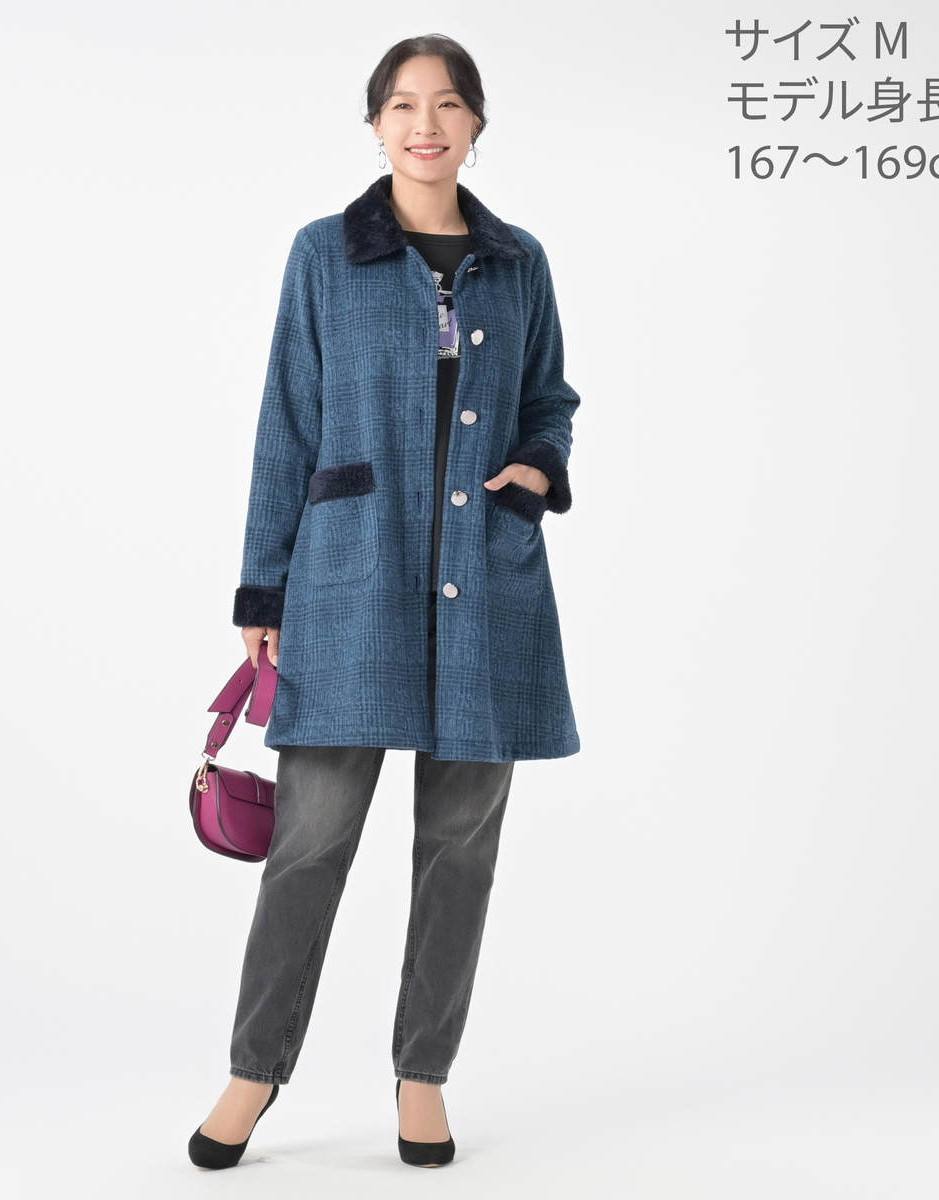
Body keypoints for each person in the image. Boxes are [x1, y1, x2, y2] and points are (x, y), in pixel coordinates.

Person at [188, 33, 580, 1170]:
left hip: (486, 589)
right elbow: (287, 420)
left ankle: (423, 1077)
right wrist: (264, 584)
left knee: (460, 851)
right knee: (308, 845)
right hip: (348, 583)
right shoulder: (325, 253)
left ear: (476, 124)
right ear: (375, 125)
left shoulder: (518, 262)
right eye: (404, 105)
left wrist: (537, 470)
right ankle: (253, 1072)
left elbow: (550, 399)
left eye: (448, 105)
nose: (426, 124)